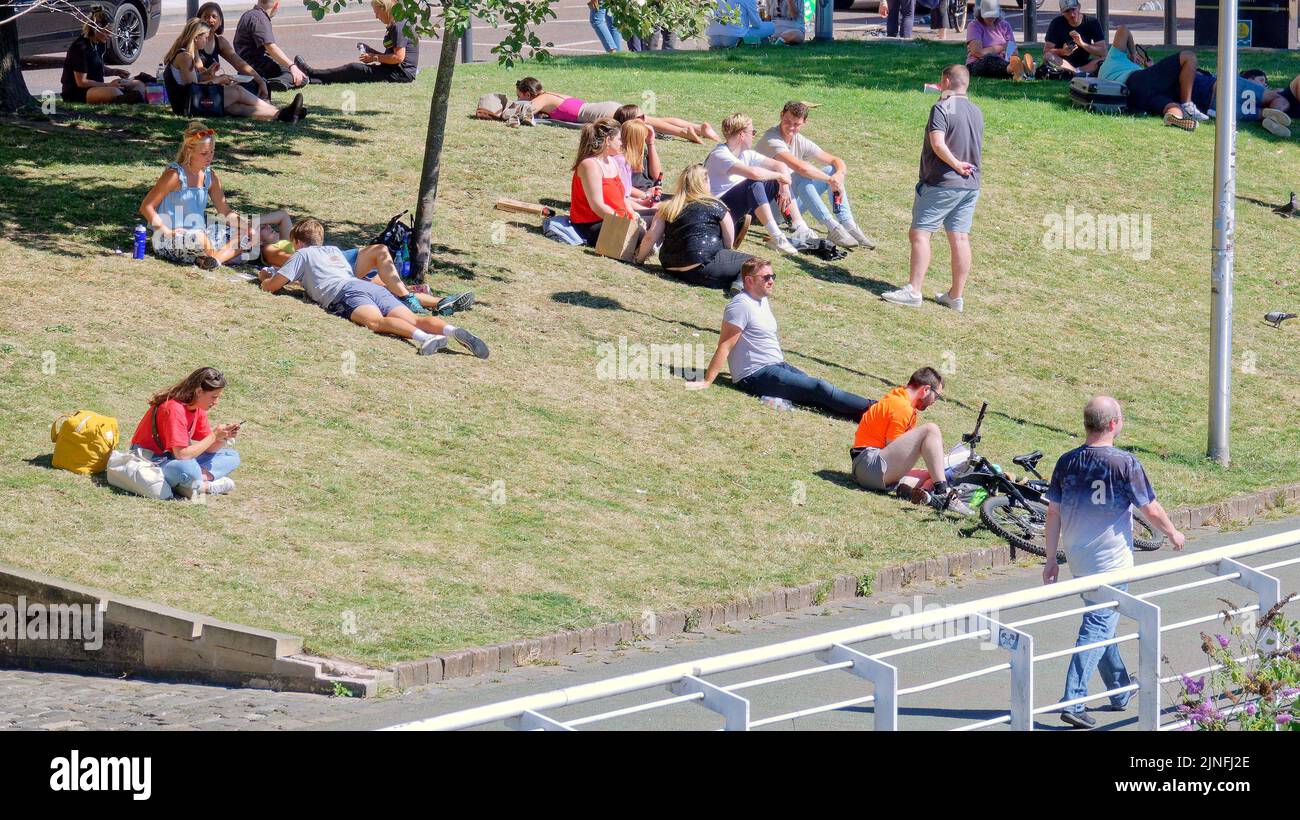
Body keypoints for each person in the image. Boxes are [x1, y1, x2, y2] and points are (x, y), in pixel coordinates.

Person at [1042, 396, 1186, 729]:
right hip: (1111, 559)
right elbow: (1149, 508)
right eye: (1121, 417)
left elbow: (1053, 513)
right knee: (1098, 624)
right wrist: (1173, 532)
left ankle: (1120, 690)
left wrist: (1051, 559)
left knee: (1102, 617)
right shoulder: (1125, 463)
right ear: (1112, 424)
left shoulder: (1066, 461)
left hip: (1079, 556)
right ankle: (1073, 698)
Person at [258, 219, 490, 358]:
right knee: (414, 318)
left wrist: (264, 278)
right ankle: (451, 330)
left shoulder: (302, 254)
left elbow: (273, 286)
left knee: (375, 322)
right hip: (367, 286)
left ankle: (425, 339)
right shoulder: (334, 252)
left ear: (297, 242)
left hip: (345, 293)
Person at [688, 258, 874, 420]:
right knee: (819, 387)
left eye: (773, 276)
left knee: (815, 392)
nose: (771, 281)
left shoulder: (762, 300)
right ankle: (876, 409)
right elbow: (725, 345)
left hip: (775, 366)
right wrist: (707, 381)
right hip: (756, 375)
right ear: (749, 280)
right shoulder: (740, 306)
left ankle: (867, 418)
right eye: (766, 277)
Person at [882, 65, 982, 313]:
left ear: (946, 81)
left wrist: (956, 165)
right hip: (970, 185)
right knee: (959, 237)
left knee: (920, 234)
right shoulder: (976, 111)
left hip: (943, 183)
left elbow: (938, 144)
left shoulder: (942, 108)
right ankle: (955, 296)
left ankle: (914, 290)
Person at [257, 217, 474, 317]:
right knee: (381, 282)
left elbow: (283, 216)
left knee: (381, 263)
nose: (269, 227)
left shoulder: (294, 239)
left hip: (337, 260)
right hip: (336, 267)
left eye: (269, 225)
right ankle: (430, 302)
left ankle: (432, 302)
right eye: (265, 228)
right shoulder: (271, 249)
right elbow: (291, 267)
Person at [756, 100, 876, 249]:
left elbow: (836, 160)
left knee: (831, 169)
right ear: (781, 115)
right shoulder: (771, 139)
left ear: (804, 123)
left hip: (790, 205)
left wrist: (838, 175)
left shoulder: (799, 140)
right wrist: (830, 180)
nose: (791, 127)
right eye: (787, 121)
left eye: (796, 124)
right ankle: (832, 227)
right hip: (766, 208)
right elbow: (800, 168)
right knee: (801, 176)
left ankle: (848, 225)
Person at [849, 367, 971, 514]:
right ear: (926, 389)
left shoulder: (903, 402)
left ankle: (921, 494)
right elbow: (892, 447)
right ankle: (943, 492)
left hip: (871, 468)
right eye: (937, 396)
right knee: (931, 430)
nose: (935, 401)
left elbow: (897, 454)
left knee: (934, 473)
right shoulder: (901, 406)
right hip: (869, 465)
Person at [139, 122, 254, 268]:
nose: (209, 157)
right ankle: (217, 257)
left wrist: (246, 225)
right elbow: (146, 207)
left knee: (249, 233)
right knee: (199, 238)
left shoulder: (210, 176)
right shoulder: (175, 175)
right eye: (204, 153)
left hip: (201, 235)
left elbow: (225, 212)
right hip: (169, 238)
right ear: (189, 150)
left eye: (212, 152)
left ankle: (211, 260)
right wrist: (166, 231)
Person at [705, 112, 813, 255]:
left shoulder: (747, 154)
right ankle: (777, 237)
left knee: (772, 181)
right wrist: (780, 176)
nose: (754, 136)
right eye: (753, 132)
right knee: (753, 182)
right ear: (742, 135)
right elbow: (754, 174)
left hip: (739, 206)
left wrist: (784, 186)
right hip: (718, 209)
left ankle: (800, 227)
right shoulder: (720, 154)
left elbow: (780, 165)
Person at [634, 164, 755, 291]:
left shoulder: (668, 206)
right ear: (705, 182)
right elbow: (729, 242)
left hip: (670, 267)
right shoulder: (716, 205)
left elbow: (650, 237)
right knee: (757, 264)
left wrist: (639, 260)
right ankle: (739, 284)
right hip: (702, 265)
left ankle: (736, 281)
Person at [129, 367, 240, 498]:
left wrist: (223, 437)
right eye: (214, 397)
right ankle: (204, 486)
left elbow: (208, 447)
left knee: (231, 456)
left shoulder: (197, 408)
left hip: (174, 459)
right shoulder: (174, 409)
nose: (216, 402)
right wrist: (214, 435)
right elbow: (182, 455)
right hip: (152, 461)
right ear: (199, 391)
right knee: (186, 467)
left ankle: (189, 483)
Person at [164, 19, 304, 122]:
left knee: (236, 108)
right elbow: (192, 88)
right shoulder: (185, 56)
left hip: (189, 103)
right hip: (188, 106)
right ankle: (278, 109)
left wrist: (208, 74)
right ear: (196, 37)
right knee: (238, 91)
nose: (206, 41)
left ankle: (283, 114)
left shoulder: (185, 55)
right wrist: (217, 80)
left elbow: (191, 82)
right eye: (205, 37)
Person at [514, 78, 721, 143]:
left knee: (644, 123)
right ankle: (697, 127)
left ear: (526, 92)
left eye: (519, 95)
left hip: (599, 113)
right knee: (650, 118)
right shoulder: (552, 94)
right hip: (603, 107)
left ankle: (684, 133)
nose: (518, 98)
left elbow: (523, 112)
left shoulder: (541, 98)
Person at [1099, 25, 1205, 130]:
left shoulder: (1104, 75)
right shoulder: (1112, 57)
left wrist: (1149, 67)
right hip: (1136, 79)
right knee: (1188, 57)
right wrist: (1132, 54)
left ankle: (1174, 117)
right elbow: (1123, 29)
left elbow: (1151, 81)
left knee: (1171, 106)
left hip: (1133, 98)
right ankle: (1187, 106)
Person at [294, 0, 418, 84]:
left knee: (354, 69)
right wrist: (370, 51)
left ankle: (311, 72)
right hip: (395, 71)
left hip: (401, 74)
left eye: (377, 12)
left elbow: (398, 58)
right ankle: (312, 79)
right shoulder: (397, 23)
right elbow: (392, 55)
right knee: (355, 72)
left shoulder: (399, 25)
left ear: (384, 8)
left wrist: (374, 57)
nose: (376, 16)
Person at [569, 119, 641, 247]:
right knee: (639, 234)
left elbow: (622, 198)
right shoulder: (590, 165)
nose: (622, 143)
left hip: (617, 218)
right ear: (608, 140)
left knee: (660, 218)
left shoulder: (612, 161)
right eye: (619, 139)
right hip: (593, 223)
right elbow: (597, 205)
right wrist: (622, 221)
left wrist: (632, 215)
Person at [59, 9, 147, 105]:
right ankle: (127, 98)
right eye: (107, 32)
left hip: (97, 87)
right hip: (79, 92)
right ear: (96, 28)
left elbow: (96, 68)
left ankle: (130, 97)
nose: (110, 35)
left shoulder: (99, 43)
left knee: (138, 84)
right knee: (114, 92)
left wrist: (115, 71)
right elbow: (82, 82)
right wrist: (109, 85)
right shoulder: (80, 47)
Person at [195, 2, 270, 99]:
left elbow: (239, 62)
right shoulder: (194, 41)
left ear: (220, 21)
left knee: (256, 84)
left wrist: (260, 81)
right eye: (206, 17)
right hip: (201, 87)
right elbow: (201, 71)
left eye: (214, 17)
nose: (210, 20)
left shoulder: (220, 41)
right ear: (199, 20)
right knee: (238, 90)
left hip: (216, 83)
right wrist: (220, 79)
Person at [233, 0, 308, 92]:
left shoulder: (247, 15)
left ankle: (311, 72)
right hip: (259, 68)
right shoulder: (260, 18)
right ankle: (270, 83)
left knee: (301, 73)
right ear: (276, 5)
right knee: (300, 77)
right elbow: (271, 47)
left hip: (246, 67)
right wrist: (291, 66)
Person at [966, 0, 1033, 80]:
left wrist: (1007, 55)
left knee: (1009, 60)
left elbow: (1013, 50)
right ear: (980, 12)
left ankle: (1019, 69)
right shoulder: (974, 26)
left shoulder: (1004, 25)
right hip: (978, 62)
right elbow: (978, 52)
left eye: (993, 15)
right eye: (988, 15)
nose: (991, 18)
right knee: (989, 59)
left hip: (1004, 60)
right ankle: (1017, 68)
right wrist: (1003, 47)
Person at [1041, 0, 1105, 76]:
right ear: (1062, 12)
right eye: (1067, 11)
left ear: (1079, 7)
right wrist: (1063, 51)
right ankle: (1076, 72)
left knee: (1105, 59)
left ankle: (1077, 72)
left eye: (1073, 9)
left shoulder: (1092, 22)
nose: (1072, 14)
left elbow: (1103, 51)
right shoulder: (1056, 23)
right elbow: (1046, 51)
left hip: (1085, 64)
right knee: (1048, 56)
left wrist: (1082, 44)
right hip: (1063, 62)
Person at [613, 104, 663, 200]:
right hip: (636, 199)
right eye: (642, 117)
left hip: (649, 193)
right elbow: (623, 186)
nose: (645, 121)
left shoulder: (641, 147)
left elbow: (656, 175)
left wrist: (650, 143)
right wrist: (646, 195)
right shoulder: (619, 154)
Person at [704, 0, 775, 47]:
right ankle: (759, 44)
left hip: (712, 39)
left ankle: (761, 44)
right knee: (772, 26)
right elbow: (757, 24)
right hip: (733, 39)